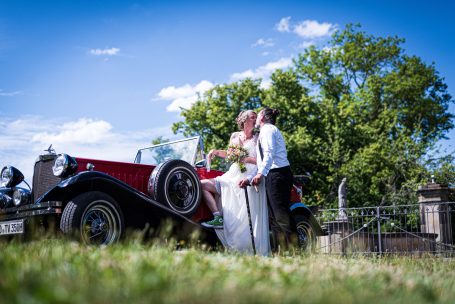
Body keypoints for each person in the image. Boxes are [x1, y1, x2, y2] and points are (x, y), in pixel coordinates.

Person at [201, 110, 270, 256]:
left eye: (255, 117)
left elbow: (262, 160)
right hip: (232, 174)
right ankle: (217, 217)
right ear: (245, 120)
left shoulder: (258, 137)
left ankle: (247, 249)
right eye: (252, 117)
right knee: (203, 185)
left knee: (244, 217)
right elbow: (230, 154)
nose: (255, 119)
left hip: (249, 175)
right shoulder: (234, 136)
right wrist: (216, 152)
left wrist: (246, 159)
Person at [247, 107, 293, 250]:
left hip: (277, 173)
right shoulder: (265, 131)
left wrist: (261, 174)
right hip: (272, 173)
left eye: (258, 114)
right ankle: (282, 251)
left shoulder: (267, 130)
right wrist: (250, 178)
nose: (255, 119)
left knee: (281, 215)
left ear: (263, 118)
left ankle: (295, 250)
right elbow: (261, 162)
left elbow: (269, 153)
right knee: (274, 217)